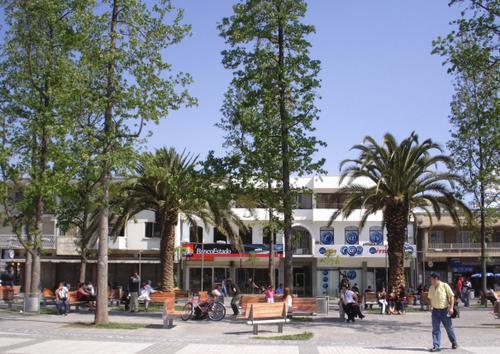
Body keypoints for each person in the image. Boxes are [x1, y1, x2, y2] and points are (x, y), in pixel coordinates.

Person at [428, 272, 458, 352]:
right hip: (435, 312)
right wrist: (430, 306)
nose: (431, 280)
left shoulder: (445, 286)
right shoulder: (431, 288)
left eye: (432, 279)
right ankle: (436, 346)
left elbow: (452, 297)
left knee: (449, 328)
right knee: (435, 329)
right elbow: (430, 298)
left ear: (436, 279)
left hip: (445, 311)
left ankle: (454, 342)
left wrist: (451, 308)